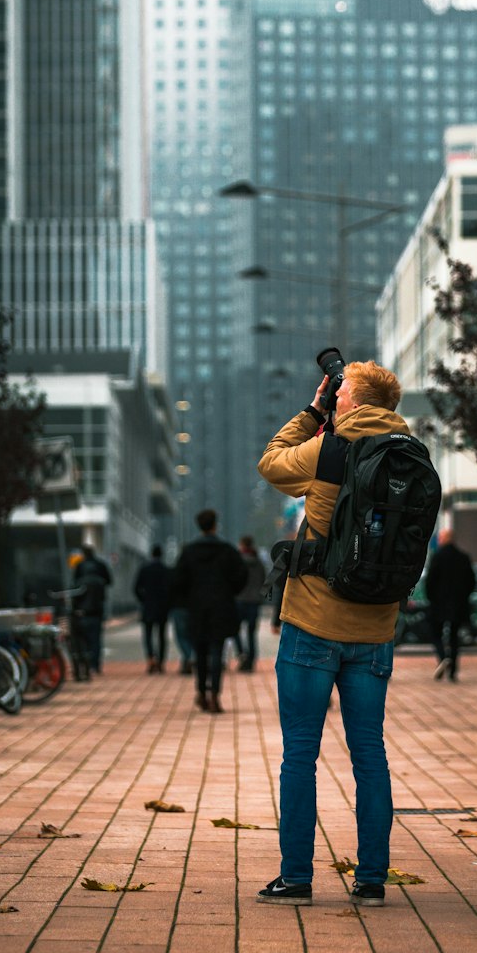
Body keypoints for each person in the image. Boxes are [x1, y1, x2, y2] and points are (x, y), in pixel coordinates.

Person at [255, 359, 406, 909]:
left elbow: (270, 462)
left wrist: (313, 410)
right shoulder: (410, 456)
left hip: (314, 625)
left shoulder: (329, 450)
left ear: (350, 401)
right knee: (369, 753)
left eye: (340, 395)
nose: (335, 399)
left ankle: (296, 877)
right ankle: (370, 880)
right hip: (376, 629)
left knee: (301, 754)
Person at [172, 509, 247, 713]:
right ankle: (215, 695)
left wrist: (188, 597)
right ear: (215, 524)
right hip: (221, 607)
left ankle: (201, 693)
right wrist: (229, 591)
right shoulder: (227, 550)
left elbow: (178, 580)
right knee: (217, 651)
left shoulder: (189, 552)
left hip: (196, 608)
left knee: (200, 652)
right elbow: (241, 576)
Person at [424, 526, 476, 682]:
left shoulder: (437, 556)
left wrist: (431, 598)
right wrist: (464, 596)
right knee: (454, 637)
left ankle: (442, 658)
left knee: (436, 634)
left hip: (439, 604)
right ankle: (453, 671)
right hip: (459, 604)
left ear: (443, 539)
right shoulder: (463, 557)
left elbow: (430, 581)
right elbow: (471, 581)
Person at [72, 541, 113, 674]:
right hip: (97, 610)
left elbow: (74, 591)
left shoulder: (80, 570)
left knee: (83, 639)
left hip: (83, 611)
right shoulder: (101, 569)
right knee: (96, 639)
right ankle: (95, 665)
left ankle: (86, 664)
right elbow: (109, 581)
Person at [133, 544, 172, 673]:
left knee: (148, 635)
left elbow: (136, 588)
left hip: (148, 606)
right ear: (162, 555)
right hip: (162, 607)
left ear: (151, 554)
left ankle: (150, 659)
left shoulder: (144, 569)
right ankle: (161, 662)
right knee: (161, 635)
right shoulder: (166, 570)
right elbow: (171, 589)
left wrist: (143, 600)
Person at [235, 536, 267, 671]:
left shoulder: (237, 562)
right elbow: (264, 580)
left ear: (242, 545)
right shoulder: (259, 562)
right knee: (251, 633)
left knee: (234, 630)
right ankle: (251, 660)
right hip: (254, 601)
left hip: (240, 600)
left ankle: (242, 654)